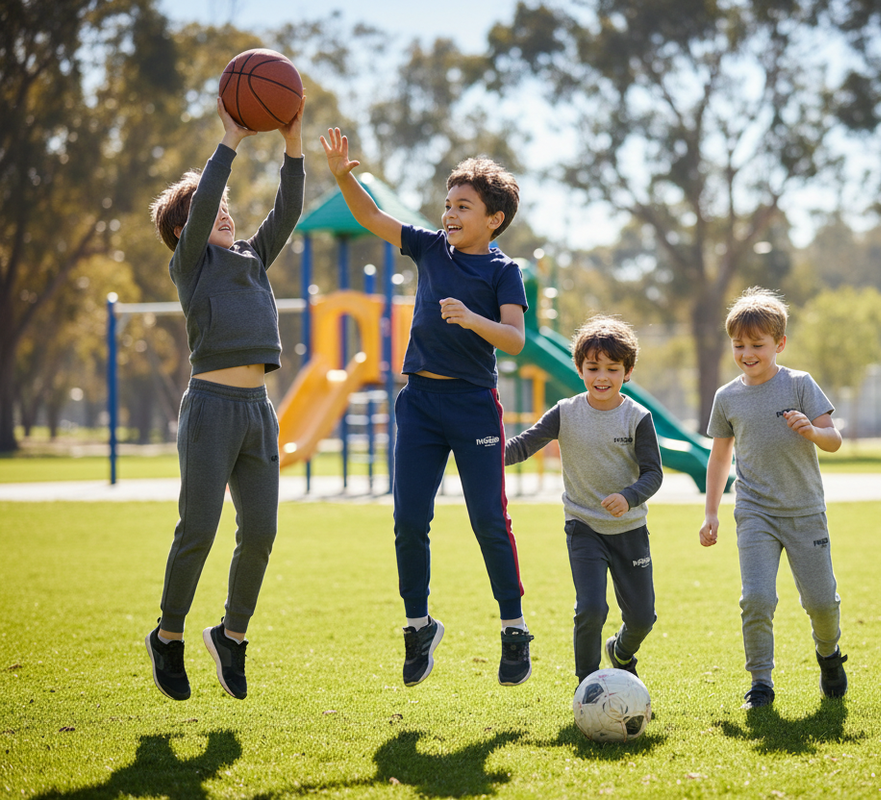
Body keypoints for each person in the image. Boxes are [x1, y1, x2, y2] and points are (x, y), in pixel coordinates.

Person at [320, 128, 534, 687]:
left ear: (495, 219)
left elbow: (515, 339)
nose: (450, 214)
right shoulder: (428, 247)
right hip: (419, 403)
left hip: (472, 406)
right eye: (447, 204)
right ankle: (418, 626)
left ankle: (514, 629)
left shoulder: (502, 272)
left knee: (489, 519)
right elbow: (372, 218)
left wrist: (472, 319)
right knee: (409, 520)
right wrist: (345, 176)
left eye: (463, 206)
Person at [145, 95, 306, 701]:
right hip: (210, 408)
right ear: (185, 232)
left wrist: (292, 142)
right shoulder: (191, 266)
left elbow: (286, 212)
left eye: (227, 212)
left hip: (257, 413)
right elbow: (208, 196)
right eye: (211, 213)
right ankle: (168, 635)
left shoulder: (252, 260)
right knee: (199, 530)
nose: (226, 217)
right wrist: (231, 141)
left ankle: (231, 637)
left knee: (260, 533)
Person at [699, 286, 848, 710]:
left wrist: (813, 431)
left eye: (757, 345)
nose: (747, 353)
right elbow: (719, 456)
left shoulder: (800, 385)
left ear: (779, 344)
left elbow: (834, 440)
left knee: (820, 602)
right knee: (757, 598)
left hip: (804, 511)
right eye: (739, 345)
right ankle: (760, 683)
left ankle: (829, 654)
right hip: (754, 512)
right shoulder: (727, 397)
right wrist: (711, 512)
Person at [505, 316, 663, 685]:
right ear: (579, 369)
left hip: (629, 530)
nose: (602, 377)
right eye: (593, 368)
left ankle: (622, 651)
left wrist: (629, 496)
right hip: (584, 527)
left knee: (642, 617)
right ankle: (587, 684)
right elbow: (524, 444)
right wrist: (484, 454)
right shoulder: (565, 412)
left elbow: (653, 473)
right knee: (591, 608)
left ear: (628, 371)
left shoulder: (638, 418)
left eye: (612, 368)